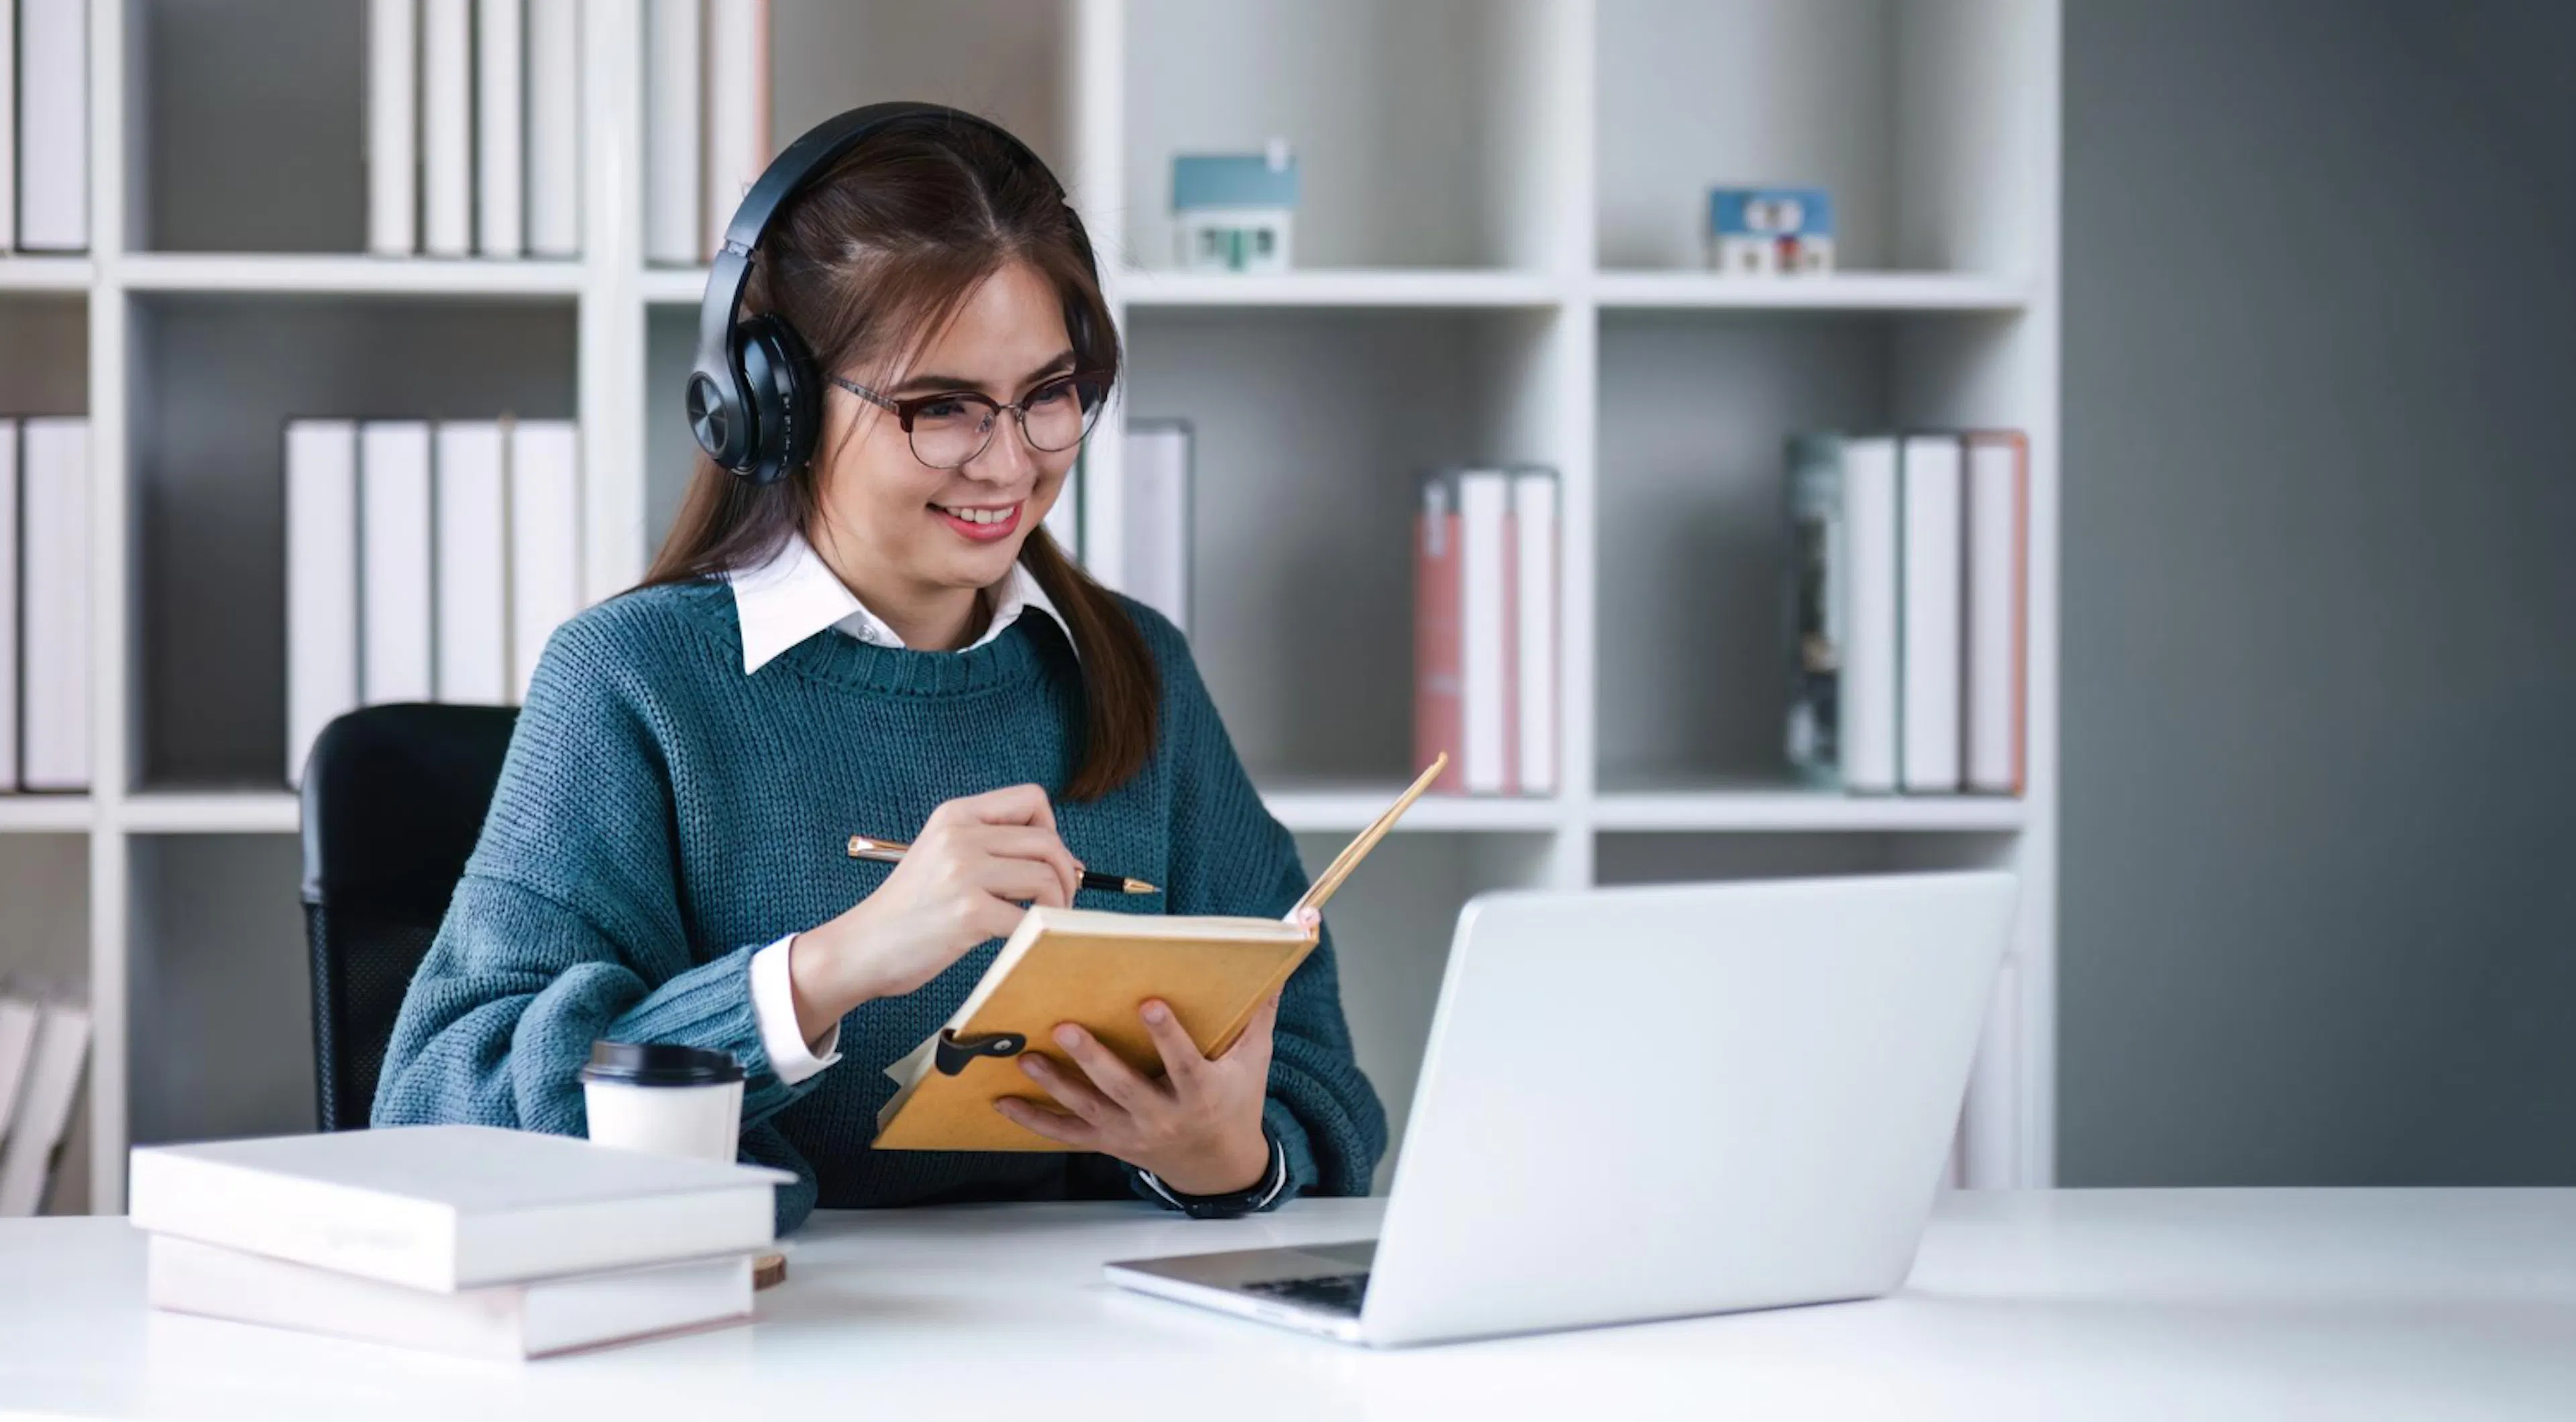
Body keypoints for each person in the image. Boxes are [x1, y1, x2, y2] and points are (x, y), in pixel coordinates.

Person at [371, 107, 1387, 1230]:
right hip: (747, 1343)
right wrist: (823, 971)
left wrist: (1223, 1156)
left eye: (1049, 395)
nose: (1010, 463)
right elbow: (432, 1111)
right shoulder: (634, 682)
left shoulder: (1136, 669)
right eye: (939, 408)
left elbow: (1322, 1087)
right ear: (777, 403)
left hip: (1078, 1346)